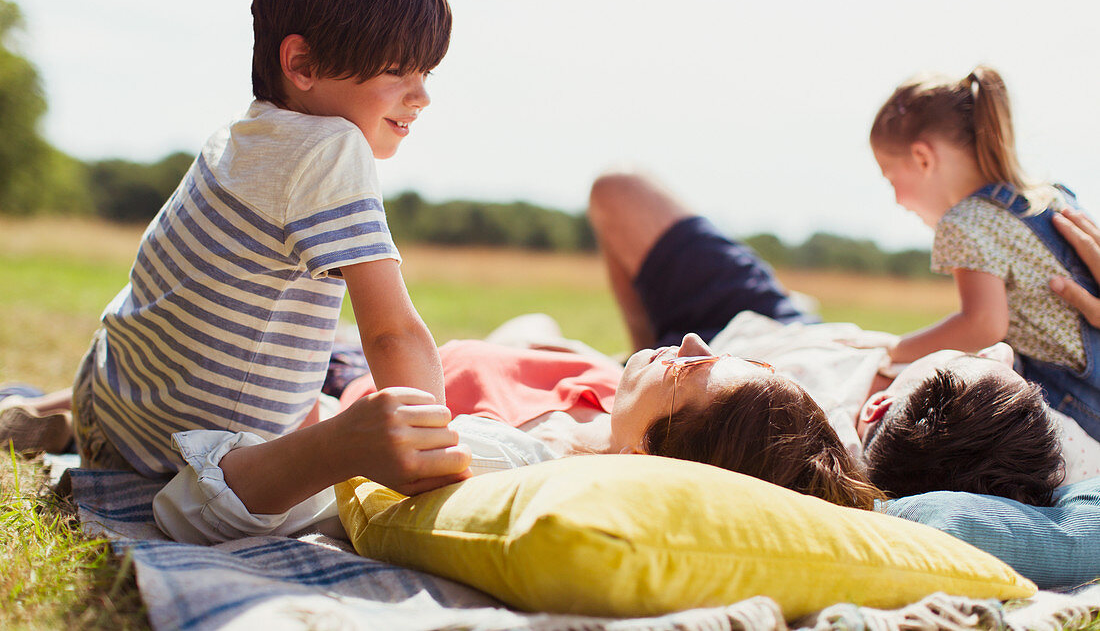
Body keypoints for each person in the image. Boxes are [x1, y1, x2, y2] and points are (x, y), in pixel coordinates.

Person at [64, 0, 471, 514]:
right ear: (302, 63)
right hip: (206, 470)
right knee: (342, 437)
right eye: (397, 71)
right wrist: (432, 453)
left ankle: (55, 417)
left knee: (311, 380)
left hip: (112, 405)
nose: (422, 96)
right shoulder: (332, 147)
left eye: (426, 72)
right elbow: (392, 331)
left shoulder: (239, 137)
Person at [586, 171, 1094, 504]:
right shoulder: (1029, 430)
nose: (1002, 351)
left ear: (876, 411)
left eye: (969, 359)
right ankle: (642, 353)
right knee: (618, 192)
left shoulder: (803, 450)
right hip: (787, 327)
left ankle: (637, 368)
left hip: (714, 377)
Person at [153, 328, 882, 543]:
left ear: (647, 455)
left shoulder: (496, 459)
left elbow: (187, 511)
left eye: (688, 374)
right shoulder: (612, 400)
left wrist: (335, 443)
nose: (690, 339)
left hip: (337, 368)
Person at [868, 66, 1100, 439]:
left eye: (890, 176)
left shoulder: (964, 221)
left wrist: (896, 351)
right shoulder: (1050, 196)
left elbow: (982, 324)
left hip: (1076, 403)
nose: (896, 199)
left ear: (923, 158)